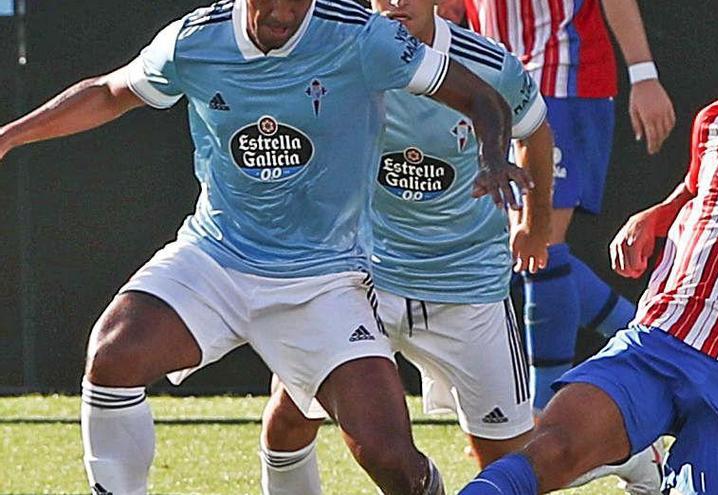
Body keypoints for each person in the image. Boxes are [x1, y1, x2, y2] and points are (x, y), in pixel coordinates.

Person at [0, 0, 532, 493]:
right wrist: (9, 136)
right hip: (217, 258)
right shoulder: (194, 41)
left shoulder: (362, 37)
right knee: (115, 354)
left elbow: (479, 94)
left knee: (388, 456)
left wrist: (492, 153)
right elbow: (111, 92)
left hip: (324, 280)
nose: (283, 13)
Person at [457, 1, 718, 493]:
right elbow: (698, 187)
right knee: (552, 447)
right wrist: (656, 214)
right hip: (659, 344)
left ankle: (645, 461)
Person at [258, 0, 664, 494]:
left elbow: (535, 131)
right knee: (287, 422)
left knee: (515, 467)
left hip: (465, 290)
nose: (397, 2)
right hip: (362, 284)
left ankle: (630, 456)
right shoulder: (336, 54)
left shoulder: (489, 64)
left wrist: (535, 226)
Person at [458, 0, 677, 412]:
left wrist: (644, 74)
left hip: (563, 81)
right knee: (522, 251)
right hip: (496, 85)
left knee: (542, 240)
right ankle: (659, 350)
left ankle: (543, 405)